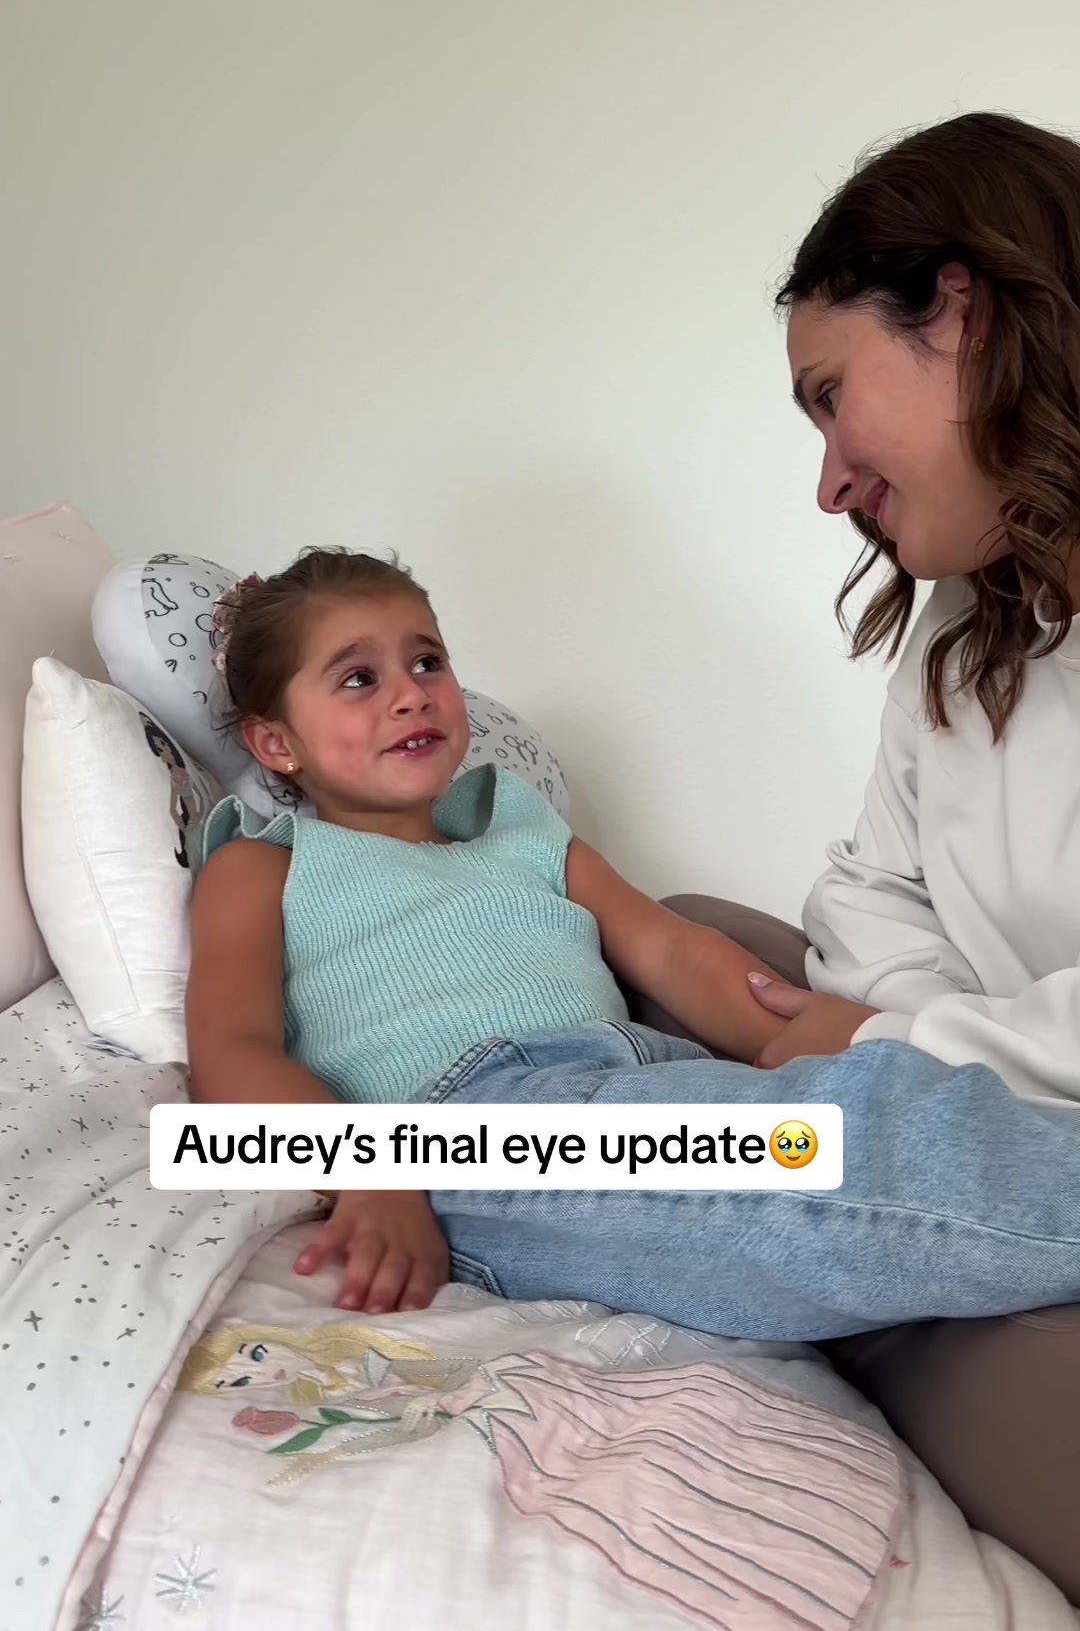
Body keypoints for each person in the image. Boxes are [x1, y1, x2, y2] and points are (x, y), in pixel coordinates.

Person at [187, 538, 1080, 1368]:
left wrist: (799, 1031)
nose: (411, 694)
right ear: (276, 743)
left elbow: (667, 946)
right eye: (358, 679)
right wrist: (370, 1174)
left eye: (428, 662)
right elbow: (230, 1051)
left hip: (649, 1077)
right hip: (475, 1127)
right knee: (828, 1158)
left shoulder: (521, 826)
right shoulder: (264, 865)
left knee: (873, 1093)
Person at [657, 108, 1080, 1600]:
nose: (830, 482)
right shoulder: (970, 625)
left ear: (962, 315)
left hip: (1020, 1127)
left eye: (834, 400)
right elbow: (865, 890)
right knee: (690, 933)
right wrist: (903, 1054)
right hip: (991, 1099)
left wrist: (890, 1048)